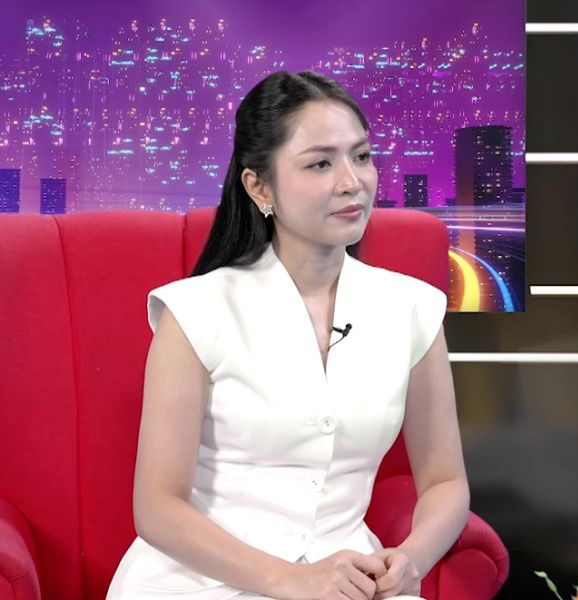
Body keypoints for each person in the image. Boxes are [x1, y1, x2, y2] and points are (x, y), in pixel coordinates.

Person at [107, 70, 469, 600]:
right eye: (321, 163)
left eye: (361, 156)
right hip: (200, 581)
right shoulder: (196, 311)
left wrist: (411, 559)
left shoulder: (412, 308)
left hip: (349, 579)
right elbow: (157, 508)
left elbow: (445, 481)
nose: (352, 181)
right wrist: (293, 581)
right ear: (259, 186)